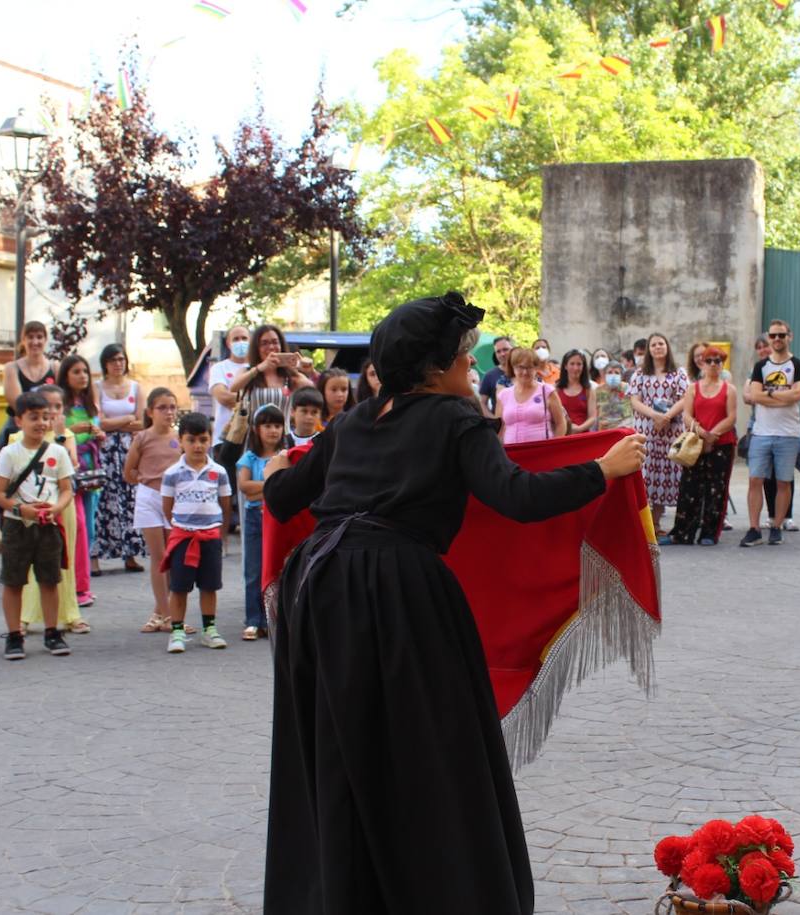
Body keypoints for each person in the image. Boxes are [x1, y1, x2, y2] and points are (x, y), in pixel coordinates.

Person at [260, 291, 646, 914]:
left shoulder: (352, 424)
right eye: (466, 362)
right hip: (396, 592)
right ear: (435, 371)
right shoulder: (456, 419)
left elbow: (281, 501)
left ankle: (349, 895)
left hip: (321, 591)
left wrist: (279, 468)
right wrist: (601, 470)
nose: (473, 372)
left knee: (342, 746)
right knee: (431, 749)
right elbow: (516, 497)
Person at [0, 391, 75, 660]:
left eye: (45, 417)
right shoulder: (9, 453)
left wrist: (56, 508)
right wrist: (21, 509)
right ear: (19, 421)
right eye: (33, 418)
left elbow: (66, 489)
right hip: (18, 526)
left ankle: (52, 632)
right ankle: (14, 635)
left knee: (50, 579)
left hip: (49, 526)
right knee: (14, 580)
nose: (40, 423)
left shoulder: (59, 452)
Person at [17, 385, 89, 635]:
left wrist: (60, 436)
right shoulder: (18, 438)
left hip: (60, 505)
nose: (53, 414)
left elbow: (70, 466)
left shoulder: (65, 436)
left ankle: (70, 614)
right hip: (29, 508)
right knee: (27, 561)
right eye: (47, 409)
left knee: (62, 560)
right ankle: (23, 617)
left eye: (58, 408)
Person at [159, 412, 232, 654]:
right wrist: (181, 526)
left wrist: (221, 534)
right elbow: (168, 506)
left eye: (203, 439)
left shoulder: (218, 472)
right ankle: (177, 630)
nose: (197, 446)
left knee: (210, 585)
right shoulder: (172, 473)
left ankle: (209, 629)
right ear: (181, 441)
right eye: (191, 440)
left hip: (210, 537)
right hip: (184, 537)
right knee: (179, 587)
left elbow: (225, 503)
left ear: (210, 440)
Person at [741, 321, 800, 547]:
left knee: (783, 482)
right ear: (769, 338)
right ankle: (754, 528)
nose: (777, 339)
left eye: (781, 335)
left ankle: (777, 526)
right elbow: (754, 396)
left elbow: (797, 395)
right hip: (762, 433)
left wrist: (768, 394)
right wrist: (782, 395)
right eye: (773, 335)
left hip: (788, 433)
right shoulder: (761, 366)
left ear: (790, 336)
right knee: (755, 480)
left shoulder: (798, 365)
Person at [124, 388, 182, 634]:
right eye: (162, 407)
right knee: (159, 557)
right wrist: (148, 481)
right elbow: (129, 472)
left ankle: (160, 611)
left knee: (172, 557)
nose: (168, 412)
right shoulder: (142, 437)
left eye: (172, 407)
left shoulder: (180, 437)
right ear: (150, 412)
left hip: (175, 500)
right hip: (149, 497)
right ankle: (167, 613)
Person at [668, 346, 737, 545]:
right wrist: (700, 432)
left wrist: (713, 435)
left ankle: (709, 532)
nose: (714, 364)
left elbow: (731, 417)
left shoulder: (728, 389)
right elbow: (687, 415)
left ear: (722, 364)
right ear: (703, 364)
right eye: (709, 361)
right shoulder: (693, 388)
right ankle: (683, 532)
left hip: (721, 444)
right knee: (689, 487)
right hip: (696, 443)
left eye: (718, 360)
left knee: (716, 488)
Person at [93, 343, 147, 573]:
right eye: (113, 360)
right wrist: (127, 418)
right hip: (104, 450)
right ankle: (94, 557)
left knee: (130, 500)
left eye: (121, 359)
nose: (118, 364)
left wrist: (117, 423)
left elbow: (143, 421)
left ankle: (131, 555)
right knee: (104, 501)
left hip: (129, 450)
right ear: (105, 363)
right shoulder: (97, 387)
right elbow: (100, 422)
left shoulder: (135, 388)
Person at [629, 333, 688, 536]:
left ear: (667, 347)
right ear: (649, 349)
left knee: (663, 475)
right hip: (647, 431)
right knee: (646, 476)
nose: (657, 347)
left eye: (661, 343)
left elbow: (684, 398)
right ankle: (644, 524)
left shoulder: (678, 373)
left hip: (669, 433)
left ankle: (656, 523)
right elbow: (635, 401)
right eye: (653, 345)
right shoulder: (639, 374)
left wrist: (667, 416)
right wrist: (655, 415)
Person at [236, 404, 284, 641]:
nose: (273, 430)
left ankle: (272, 619)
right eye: (267, 425)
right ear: (256, 429)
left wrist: (261, 489)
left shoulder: (284, 456)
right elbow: (245, 488)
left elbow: (287, 484)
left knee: (275, 569)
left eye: (277, 425)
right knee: (254, 570)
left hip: (276, 515)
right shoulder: (249, 458)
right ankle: (253, 620)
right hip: (255, 517)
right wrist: (273, 485)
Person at [58, 355, 103, 583]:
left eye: (85, 371)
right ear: (66, 376)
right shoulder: (61, 406)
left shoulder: (91, 405)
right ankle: (69, 576)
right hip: (69, 467)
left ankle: (82, 577)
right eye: (76, 371)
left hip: (91, 470)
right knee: (73, 523)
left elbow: (99, 433)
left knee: (88, 525)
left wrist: (99, 435)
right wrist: (71, 431)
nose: (82, 376)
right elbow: (54, 437)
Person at [209, 325, 252, 507]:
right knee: (225, 490)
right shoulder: (219, 368)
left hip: (252, 438)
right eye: (236, 339)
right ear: (228, 343)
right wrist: (251, 396)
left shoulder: (256, 368)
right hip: (226, 438)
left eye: (244, 338)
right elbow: (223, 397)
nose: (240, 342)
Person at [1, 321, 59, 444]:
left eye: (39, 337)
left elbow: (60, 401)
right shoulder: (12, 368)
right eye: (30, 337)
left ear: (45, 340)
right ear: (23, 340)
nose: (35, 342)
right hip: (18, 428)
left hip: (48, 427)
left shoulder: (55, 367)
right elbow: (17, 403)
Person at [495, 346, 566, 443]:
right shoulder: (503, 395)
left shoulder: (547, 391)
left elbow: (561, 423)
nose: (525, 372)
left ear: (536, 368)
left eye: (529, 367)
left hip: (542, 454)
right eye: (520, 367)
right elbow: (499, 428)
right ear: (513, 367)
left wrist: (553, 449)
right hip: (510, 455)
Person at [556, 349, 597, 434]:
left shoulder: (589, 389)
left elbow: (592, 417)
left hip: (583, 436)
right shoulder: (556, 388)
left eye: (579, 364)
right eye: (572, 364)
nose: (575, 368)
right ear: (565, 366)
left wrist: (579, 429)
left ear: (583, 366)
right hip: (562, 436)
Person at [478, 336, 514, 415]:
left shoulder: (524, 372)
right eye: (498, 351)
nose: (502, 354)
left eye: (505, 349)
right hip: (500, 424)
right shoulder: (489, 376)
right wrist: (493, 420)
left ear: (513, 350)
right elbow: (482, 403)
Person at [594, 361, 633, 431]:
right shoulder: (598, 390)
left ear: (621, 376)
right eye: (610, 372)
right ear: (604, 375)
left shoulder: (627, 388)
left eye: (617, 373)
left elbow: (630, 413)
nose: (613, 375)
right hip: (604, 428)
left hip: (624, 428)